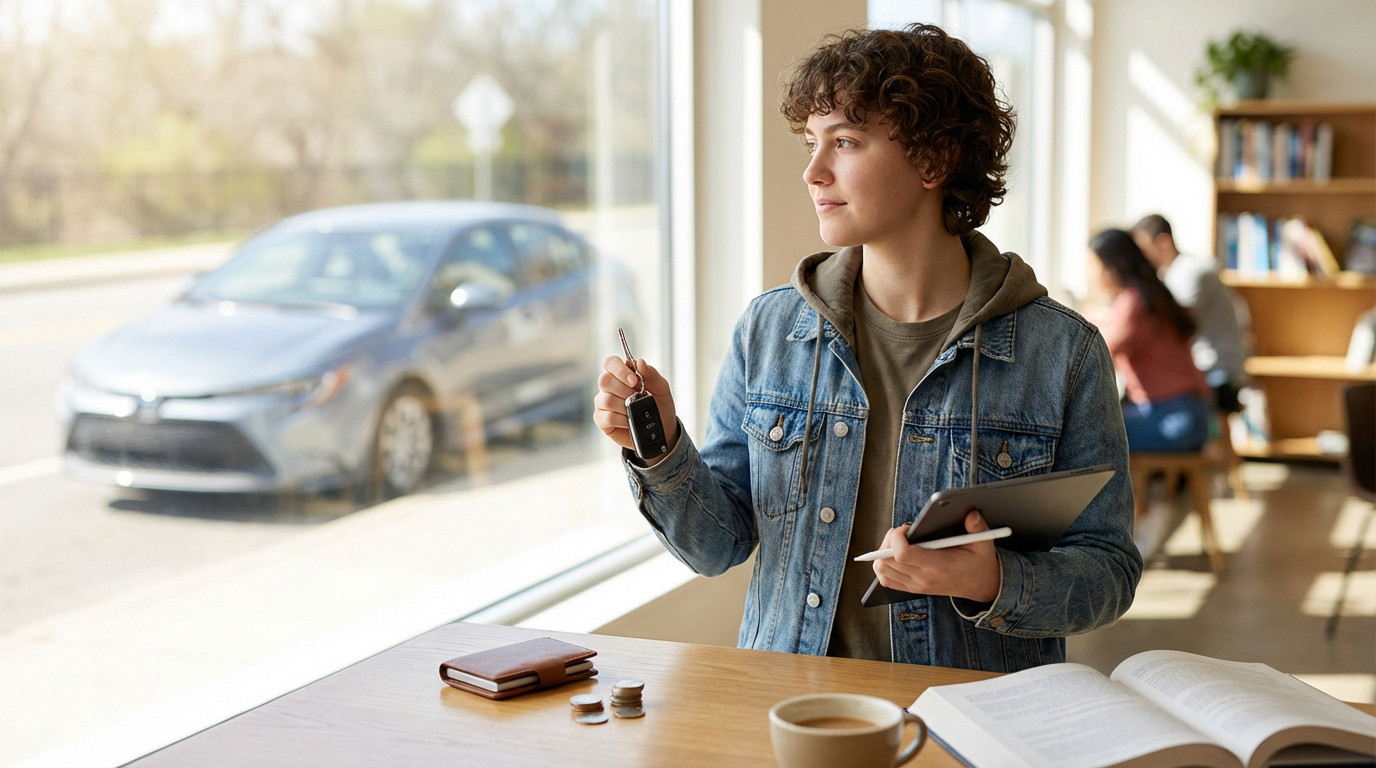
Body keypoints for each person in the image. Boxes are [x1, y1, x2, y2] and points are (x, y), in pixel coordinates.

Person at [594, 24, 1141, 673]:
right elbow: (718, 546)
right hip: (788, 708)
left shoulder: (1063, 353)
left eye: (845, 142)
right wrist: (656, 447)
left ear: (934, 160)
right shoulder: (769, 332)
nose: (812, 171)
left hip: (971, 715)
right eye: (811, 142)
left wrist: (989, 581)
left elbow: (1109, 572)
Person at [1087, 228, 1213, 452]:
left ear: (1111, 266)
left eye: (1092, 265)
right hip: (1193, 414)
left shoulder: (1133, 302)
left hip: (1172, 419)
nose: (1089, 275)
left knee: (1084, 435)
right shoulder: (1153, 294)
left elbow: (1098, 359)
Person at [1130, 213, 1250, 413]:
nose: (1141, 258)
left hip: (1215, 371)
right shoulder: (1172, 274)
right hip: (1205, 368)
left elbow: (1167, 325)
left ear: (1163, 242)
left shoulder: (1191, 272)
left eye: (1144, 250)